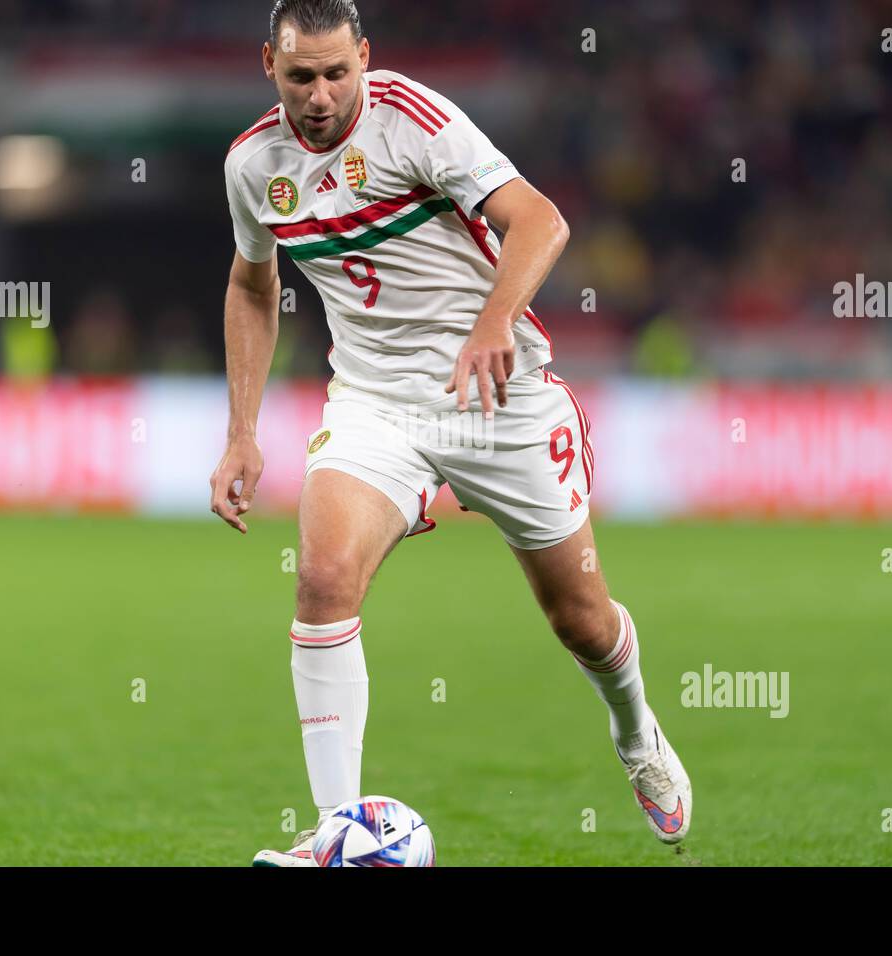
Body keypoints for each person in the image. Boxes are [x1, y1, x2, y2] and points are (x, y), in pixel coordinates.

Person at [211, 0, 691, 866]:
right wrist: (242, 429)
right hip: (374, 402)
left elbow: (540, 219)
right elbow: (252, 285)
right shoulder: (253, 165)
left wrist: (494, 320)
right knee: (322, 578)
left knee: (579, 618)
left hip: (497, 394)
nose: (319, 96)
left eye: (335, 73)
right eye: (299, 77)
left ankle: (636, 734)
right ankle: (338, 834)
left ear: (364, 56)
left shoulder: (415, 122)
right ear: (268, 68)